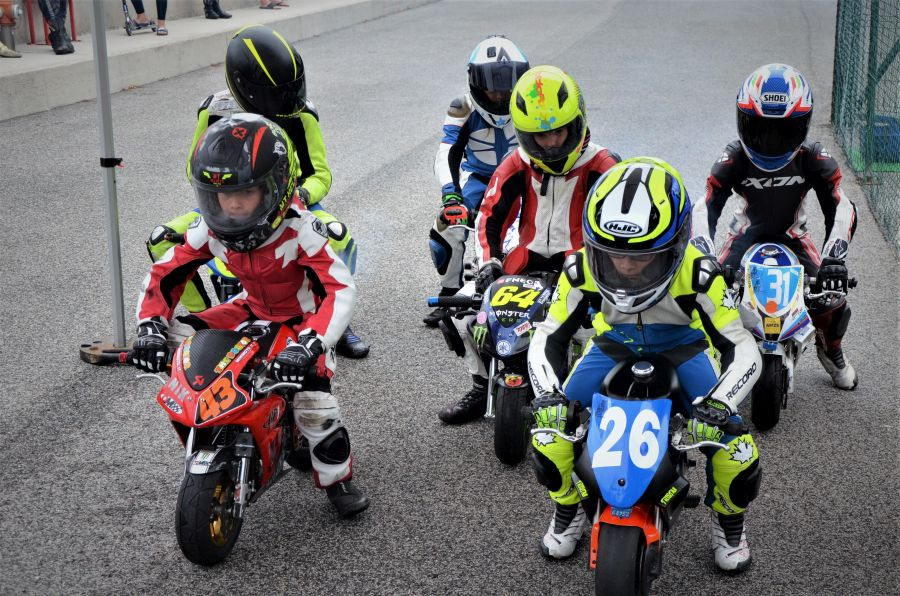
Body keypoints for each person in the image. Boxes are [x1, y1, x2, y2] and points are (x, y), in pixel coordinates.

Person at [528, 158, 762, 571]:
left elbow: (742, 346)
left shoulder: (700, 271)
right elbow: (548, 334)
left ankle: (729, 522)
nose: (625, 265)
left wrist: (721, 403)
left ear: (676, 244)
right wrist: (548, 394)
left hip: (683, 348)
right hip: (612, 345)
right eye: (611, 254)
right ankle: (569, 506)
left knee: (736, 446)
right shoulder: (579, 267)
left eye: (642, 256)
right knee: (549, 432)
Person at [132, 114, 369, 518]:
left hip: (301, 321)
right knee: (178, 337)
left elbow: (339, 289)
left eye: (246, 191)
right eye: (221, 195)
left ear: (276, 186)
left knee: (314, 405)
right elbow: (165, 273)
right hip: (249, 309)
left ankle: (337, 480)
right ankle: (217, 423)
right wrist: (150, 327)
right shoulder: (211, 229)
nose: (233, 205)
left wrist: (311, 344)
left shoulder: (303, 230)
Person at [148, 25, 369, 358]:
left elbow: (320, 174)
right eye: (276, 91)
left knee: (337, 235)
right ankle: (206, 322)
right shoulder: (214, 111)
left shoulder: (302, 113)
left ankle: (334, 322)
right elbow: (194, 169)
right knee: (161, 239)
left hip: (288, 202)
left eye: (290, 88)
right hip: (231, 202)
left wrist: (300, 196)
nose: (287, 99)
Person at [437, 65, 620, 424]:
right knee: (464, 313)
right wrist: (488, 262)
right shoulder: (518, 162)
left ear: (577, 122)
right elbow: (489, 217)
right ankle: (481, 384)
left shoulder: (605, 166)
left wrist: (604, 276)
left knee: (603, 329)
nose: (549, 143)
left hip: (582, 271)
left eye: (557, 132)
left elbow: (621, 234)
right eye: (539, 136)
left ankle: (592, 398)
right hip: (524, 264)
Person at [692, 63, 859, 389]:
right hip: (744, 237)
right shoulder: (734, 156)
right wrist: (705, 255)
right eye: (760, 129)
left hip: (793, 237)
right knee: (707, 292)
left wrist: (833, 259)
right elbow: (705, 206)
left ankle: (831, 349)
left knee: (831, 297)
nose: (770, 141)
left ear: (802, 126)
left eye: (783, 131)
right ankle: (713, 354)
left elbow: (842, 205)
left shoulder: (813, 156)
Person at [424, 35, 530, 327]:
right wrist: (451, 194)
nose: (500, 92)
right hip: (478, 179)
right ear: (476, 81)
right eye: (493, 83)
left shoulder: (529, 103)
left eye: (507, 82)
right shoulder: (463, 107)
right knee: (448, 222)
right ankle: (450, 294)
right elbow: (447, 151)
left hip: (521, 179)